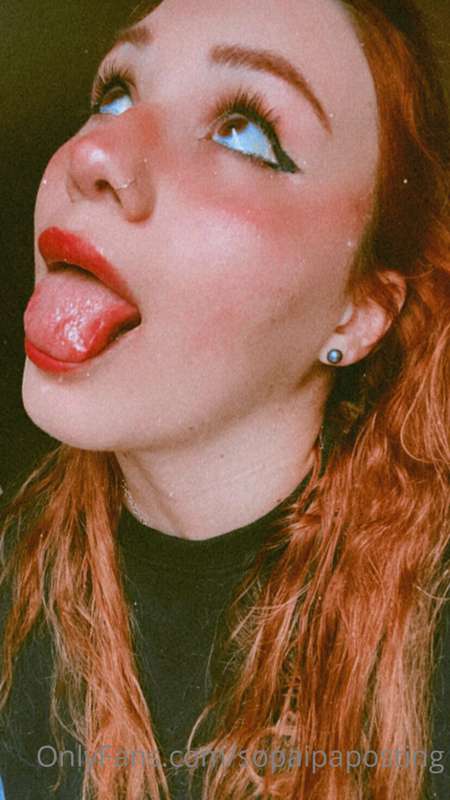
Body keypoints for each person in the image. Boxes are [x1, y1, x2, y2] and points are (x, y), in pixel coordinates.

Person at [0, 0, 448, 798]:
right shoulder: (16, 597)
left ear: (357, 312)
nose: (94, 152)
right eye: (114, 95)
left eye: (244, 131)